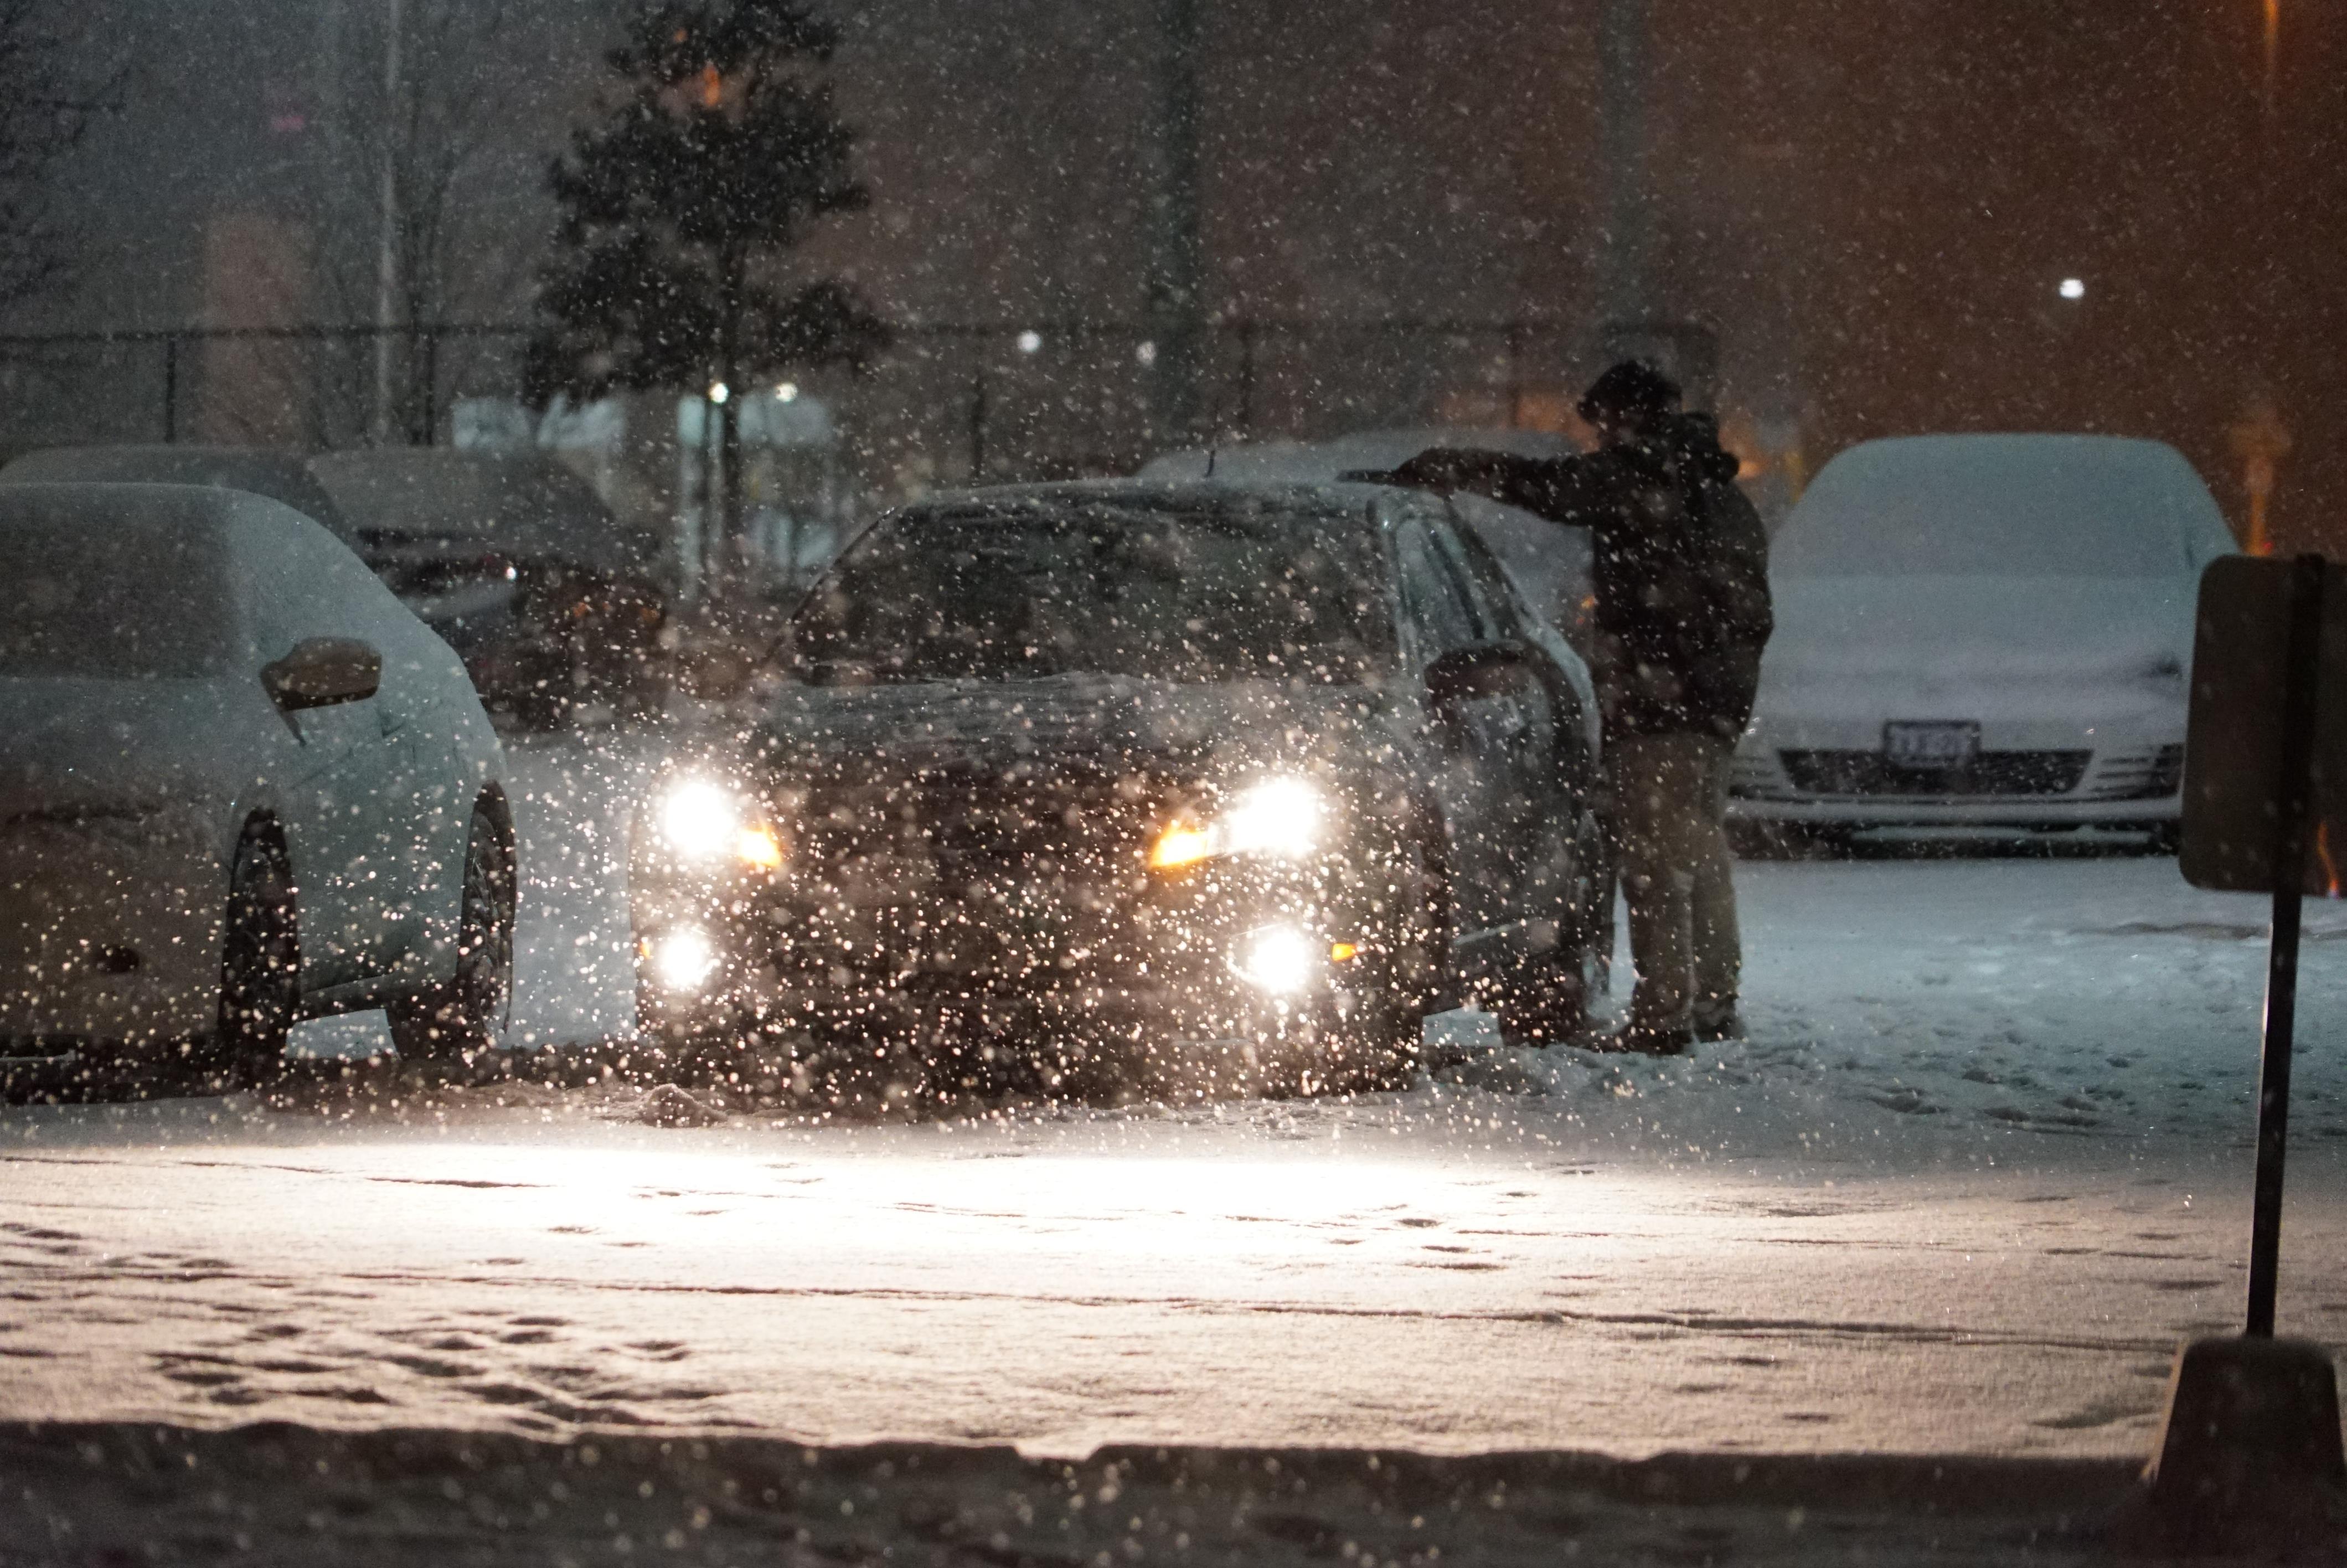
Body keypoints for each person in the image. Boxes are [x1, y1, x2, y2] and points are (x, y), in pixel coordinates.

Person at [1385, 360, 1772, 1053]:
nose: (1597, 438)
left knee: (1654, 859)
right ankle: (1712, 1001)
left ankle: (1664, 1017)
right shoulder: (1713, 488)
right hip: (1709, 704)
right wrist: (1717, 695)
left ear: (1624, 418)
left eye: (1602, 423)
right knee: (1699, 849)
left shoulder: (1646, 476)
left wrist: (1455, 466)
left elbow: (1551, 489)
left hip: (1664, 702)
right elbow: (1747, 612)